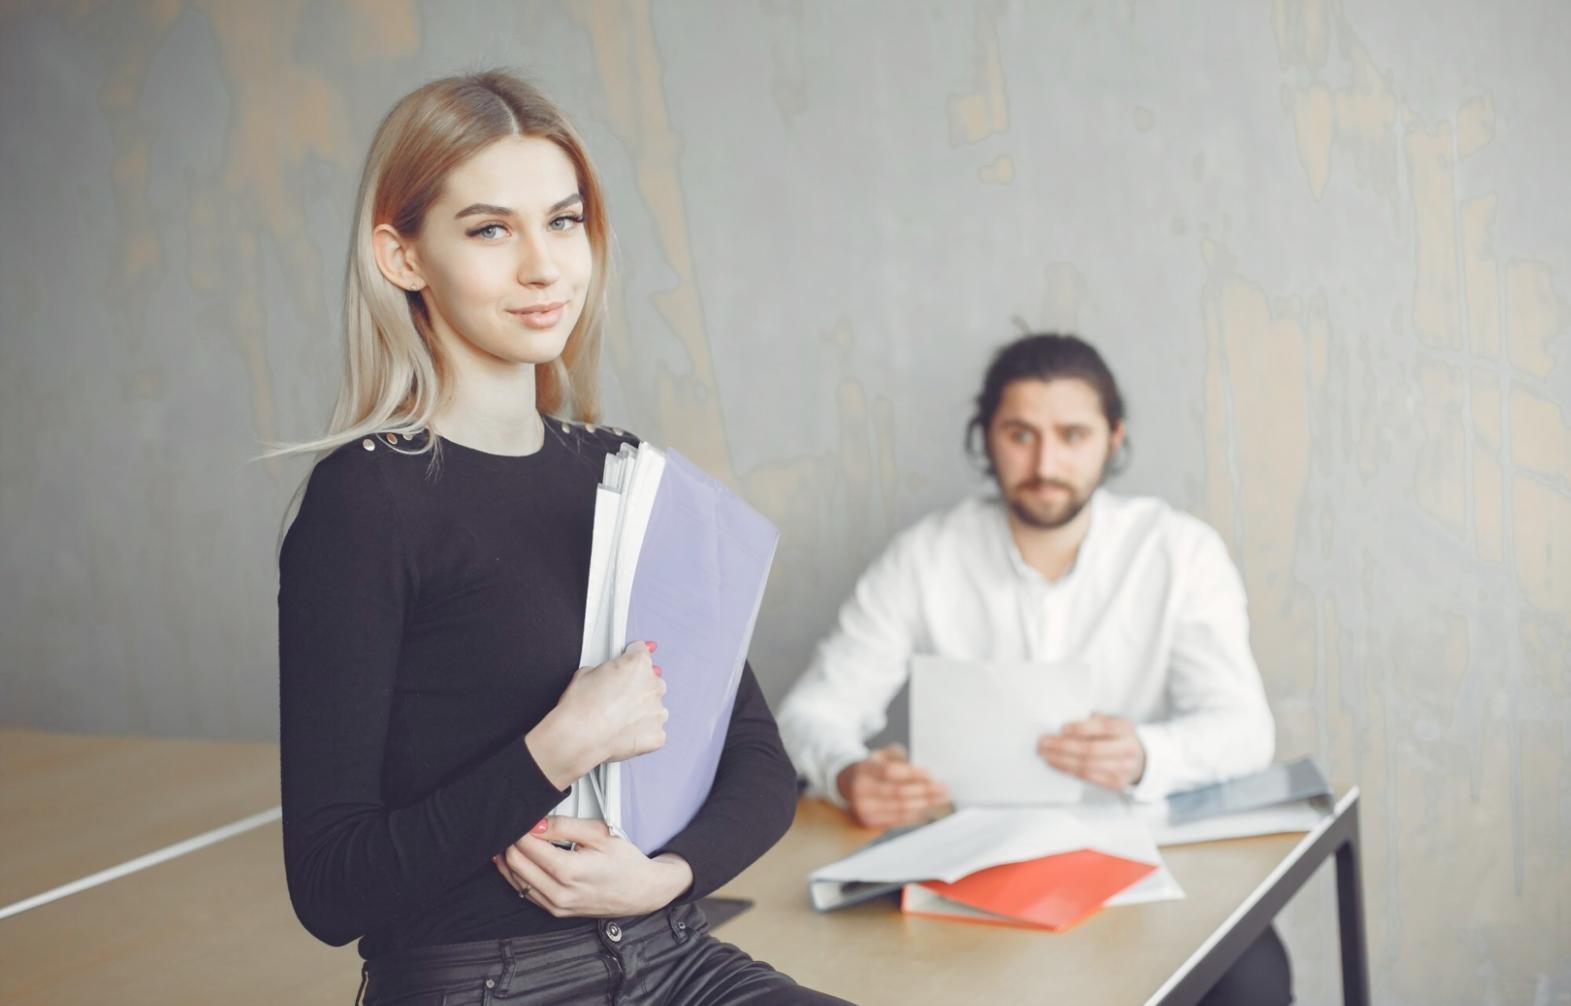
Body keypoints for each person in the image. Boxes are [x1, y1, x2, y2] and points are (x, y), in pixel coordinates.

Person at [276, 71, 846, 1006]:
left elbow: (758, 763)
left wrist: (662, 880)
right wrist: (555, 750)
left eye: (564, 221)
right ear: (402, 256)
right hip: (484, 984)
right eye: (490, 230)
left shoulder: (622, 474)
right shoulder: (366, 500)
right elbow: (331, 888)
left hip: (674, 953)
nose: (543, 267)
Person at [777, 333, 1291, 1005]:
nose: (1045, 464)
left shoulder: (1179, 551)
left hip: (1139, 854)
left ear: (1112, 439)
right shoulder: (924, 557)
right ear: (985, 438)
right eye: (1020, 435)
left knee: (1250, 983)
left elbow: (1245, 729)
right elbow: (808, 715)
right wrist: (847, 773)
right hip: (967, 867)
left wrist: (1143, 753)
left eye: (1072, 435)